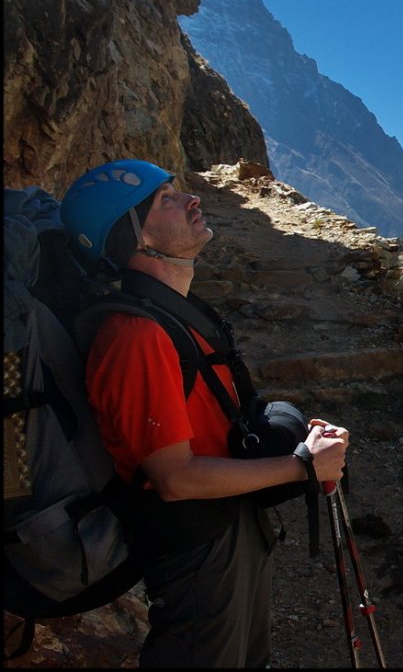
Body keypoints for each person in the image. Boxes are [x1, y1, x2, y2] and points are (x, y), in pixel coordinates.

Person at [60, 158, 350, 668]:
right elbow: (174, 478)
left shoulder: (171, 315)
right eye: (165, 199)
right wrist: (303, 466)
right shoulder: (136, 336)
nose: (191, 199)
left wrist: (299, 444)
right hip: (197, 546)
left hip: (227, 525)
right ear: (133, 236)